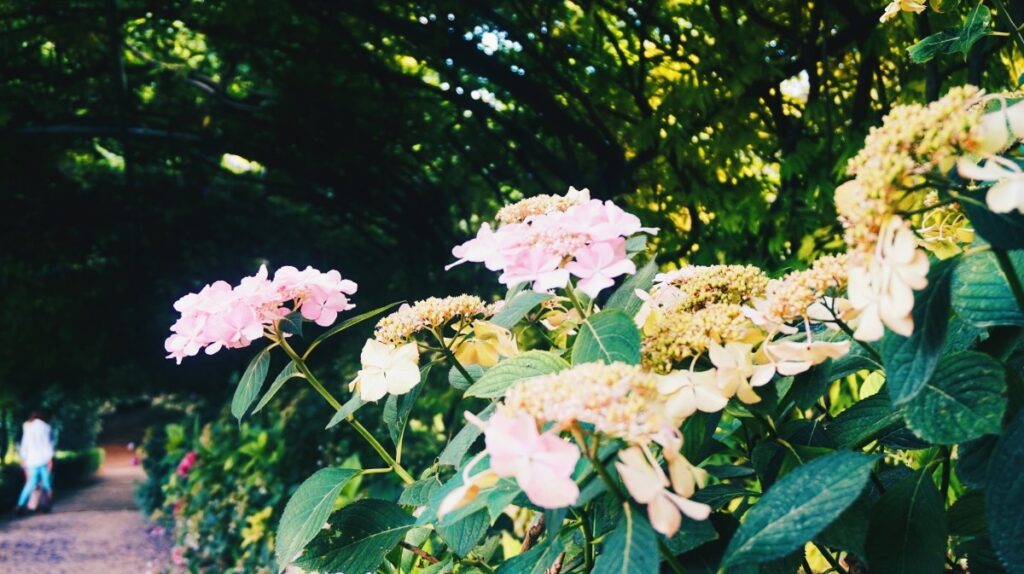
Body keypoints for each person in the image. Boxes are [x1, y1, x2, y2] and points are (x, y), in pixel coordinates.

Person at [15, 410, 54, 515]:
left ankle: (20, 504)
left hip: (31, 460)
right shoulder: (45, 427)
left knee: (29, 484)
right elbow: (47, 444)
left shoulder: (27, 426)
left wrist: (23, 459)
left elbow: (24, 444)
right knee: (46, 483)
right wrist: (50, 459)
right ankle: (45, 506)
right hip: (43, 459)